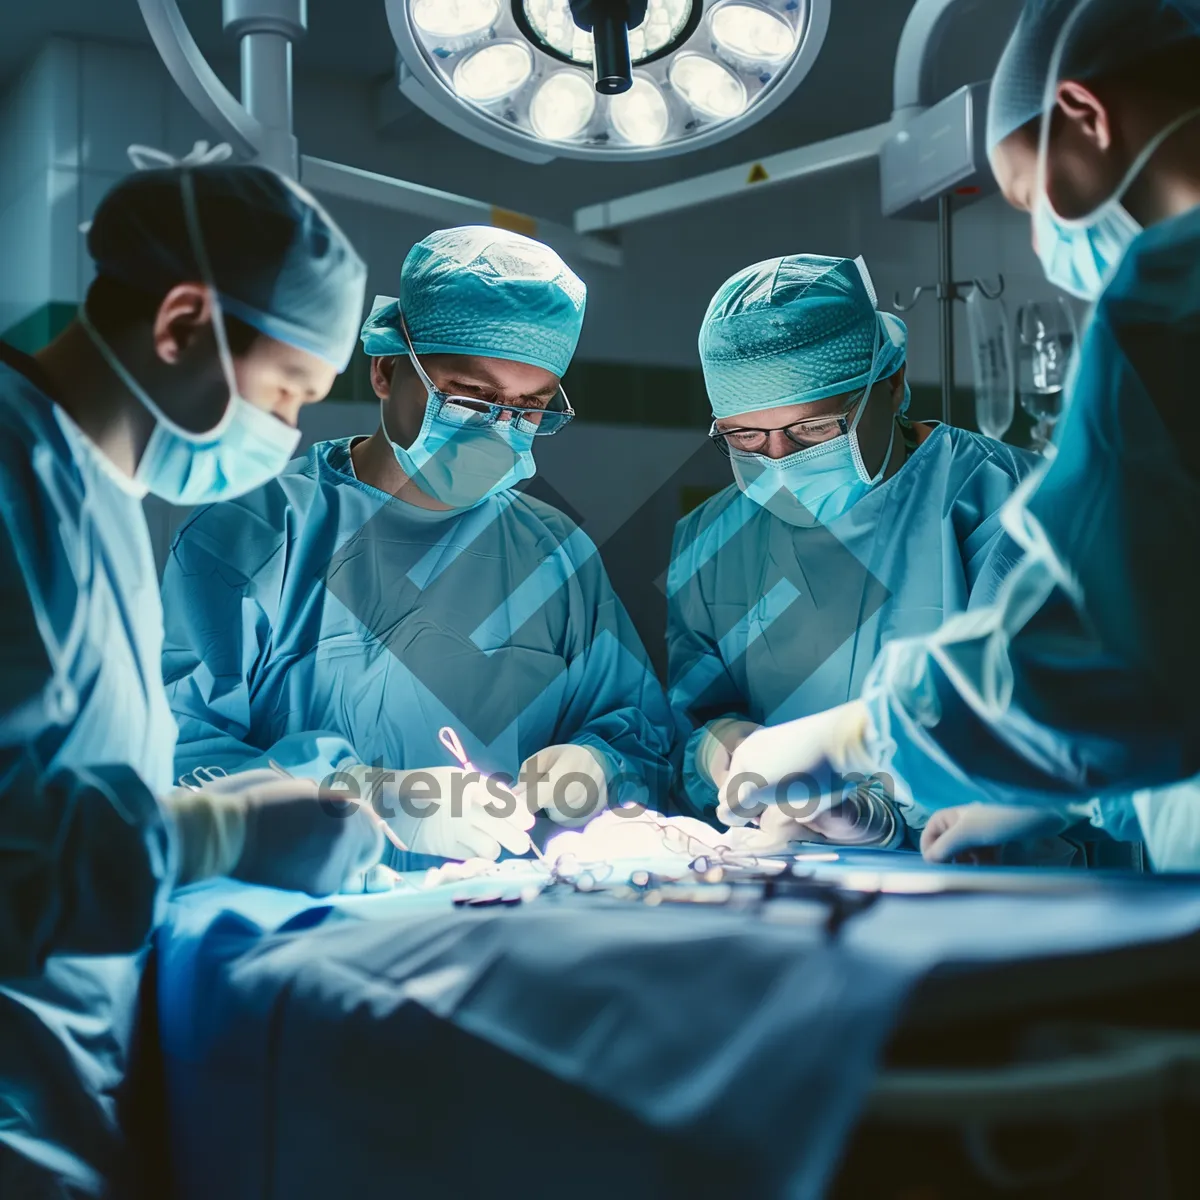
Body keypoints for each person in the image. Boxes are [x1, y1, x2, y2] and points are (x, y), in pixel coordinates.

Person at [712, 0, 1200, 863]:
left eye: (1024, 195)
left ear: (1085, 116)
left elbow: (1104, 651)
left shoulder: (1170, 300)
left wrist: (859, 737)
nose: (1041, 236)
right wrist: (1070, 789)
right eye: (749, 438)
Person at [0, 161, 382, 1196]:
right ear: (180, 325)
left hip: (61, 1083)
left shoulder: (96, 493)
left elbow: (54, 785)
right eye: (286, 393)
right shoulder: (12, 475)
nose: (292, 432)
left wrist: (215, 809)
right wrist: (214, 836)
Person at [162, 225, 676, 866]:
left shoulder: (555, 553)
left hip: (500, 917)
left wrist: (595, 765)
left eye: (529, 408)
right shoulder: (255, 535)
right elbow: (181, 759)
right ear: (385, 371)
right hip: (308, 922)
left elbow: (643, 738)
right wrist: (365, 800)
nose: (500, 428)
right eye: (471, 398)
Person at [667, 253, 1039, 848]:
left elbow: (1062, 723)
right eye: (744, 437)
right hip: (798, 890)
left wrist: (883, 814)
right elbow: (693, 721)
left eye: (813, 430)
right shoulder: (710, 540)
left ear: (890, 385)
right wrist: (723, 748)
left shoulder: (1007, 503)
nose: (779, 461)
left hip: (1001, 892)